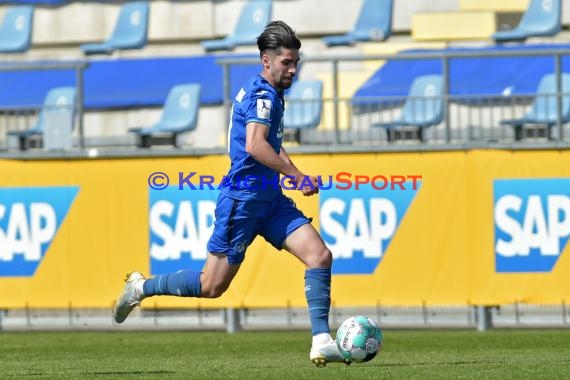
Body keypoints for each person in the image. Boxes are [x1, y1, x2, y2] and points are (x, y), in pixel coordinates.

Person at [112, 20, 346, 367]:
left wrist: (292, 177)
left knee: (319, 256)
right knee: (211, 286)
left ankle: (321, 340)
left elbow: (268, 145)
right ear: (267, 61)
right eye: (287, 62)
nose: (294, 69)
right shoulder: (264, 96)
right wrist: (295, 175)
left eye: (296, 61)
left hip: (269, 200)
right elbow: (254, 146)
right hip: (243, 202)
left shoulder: (266, 91)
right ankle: (141, 287)